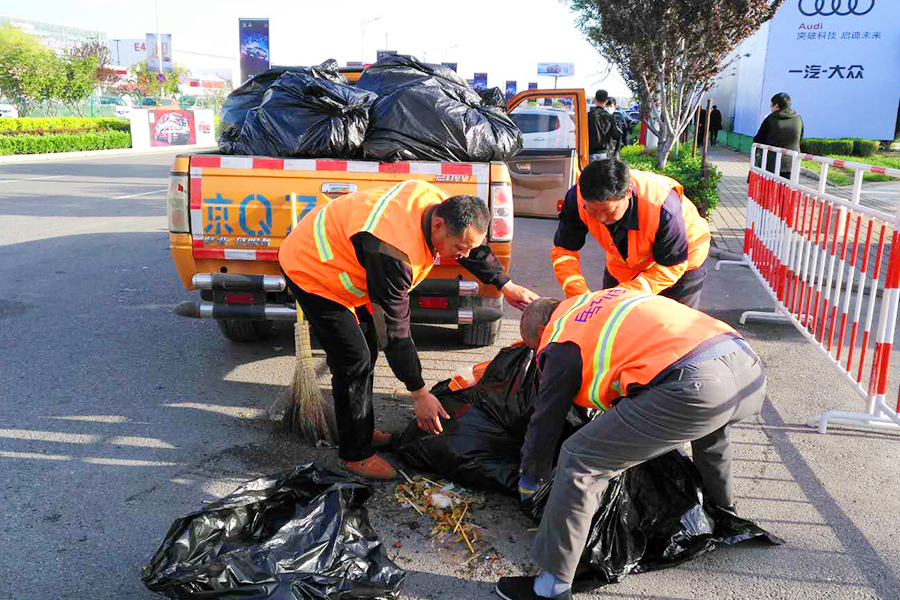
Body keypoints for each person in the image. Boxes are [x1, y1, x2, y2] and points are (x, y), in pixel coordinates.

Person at [494, 289, 767, 600]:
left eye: (536, 348)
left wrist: (531, 482)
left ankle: (550, 587)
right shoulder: (594, 302)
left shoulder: (559, 338)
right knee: (711, 431)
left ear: (542, 332)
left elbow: (545, 422)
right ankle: (724, 511)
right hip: (746, 370)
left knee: (580, 459)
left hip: (696, 386)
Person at [279, 180, 539, 480]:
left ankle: (357, 429)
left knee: (365, 350)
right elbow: (396, 330)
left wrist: (504, 284)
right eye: (458, 248)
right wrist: (419, 392)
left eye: (467, 248)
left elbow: (472, 249)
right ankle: (355, 455)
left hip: (349, 261)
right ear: (439, 224)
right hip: (312, 269)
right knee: (354, 358)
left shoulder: (439, 204)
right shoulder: (393, 249)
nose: (462, 255)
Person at [550, 158, 710, 309]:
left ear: (628, 193)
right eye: (591, 210)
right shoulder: (577, 198)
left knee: (672, 327)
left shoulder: (662, 207)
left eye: (608, 210)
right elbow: (563, 251)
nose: (600, 218)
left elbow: (672, 266)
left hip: (680, 260)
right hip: (624, 264)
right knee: (608, 317)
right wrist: (579, 296)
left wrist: (623, 294)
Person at [753, 92, 803, 179]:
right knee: (787, 189)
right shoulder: (798, 119)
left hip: (771, 163)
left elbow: (758, 139)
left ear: (776, 106)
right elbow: (800, 139)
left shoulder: (770, 119)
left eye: (771, 105)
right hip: (791, 163)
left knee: (769, 190)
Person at [587, 89, 621, 162]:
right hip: (604, 154)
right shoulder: (609, 117)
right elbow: (616, 135)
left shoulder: (588, 116)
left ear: (595, 99)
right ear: (606, 101)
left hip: (589, 153)